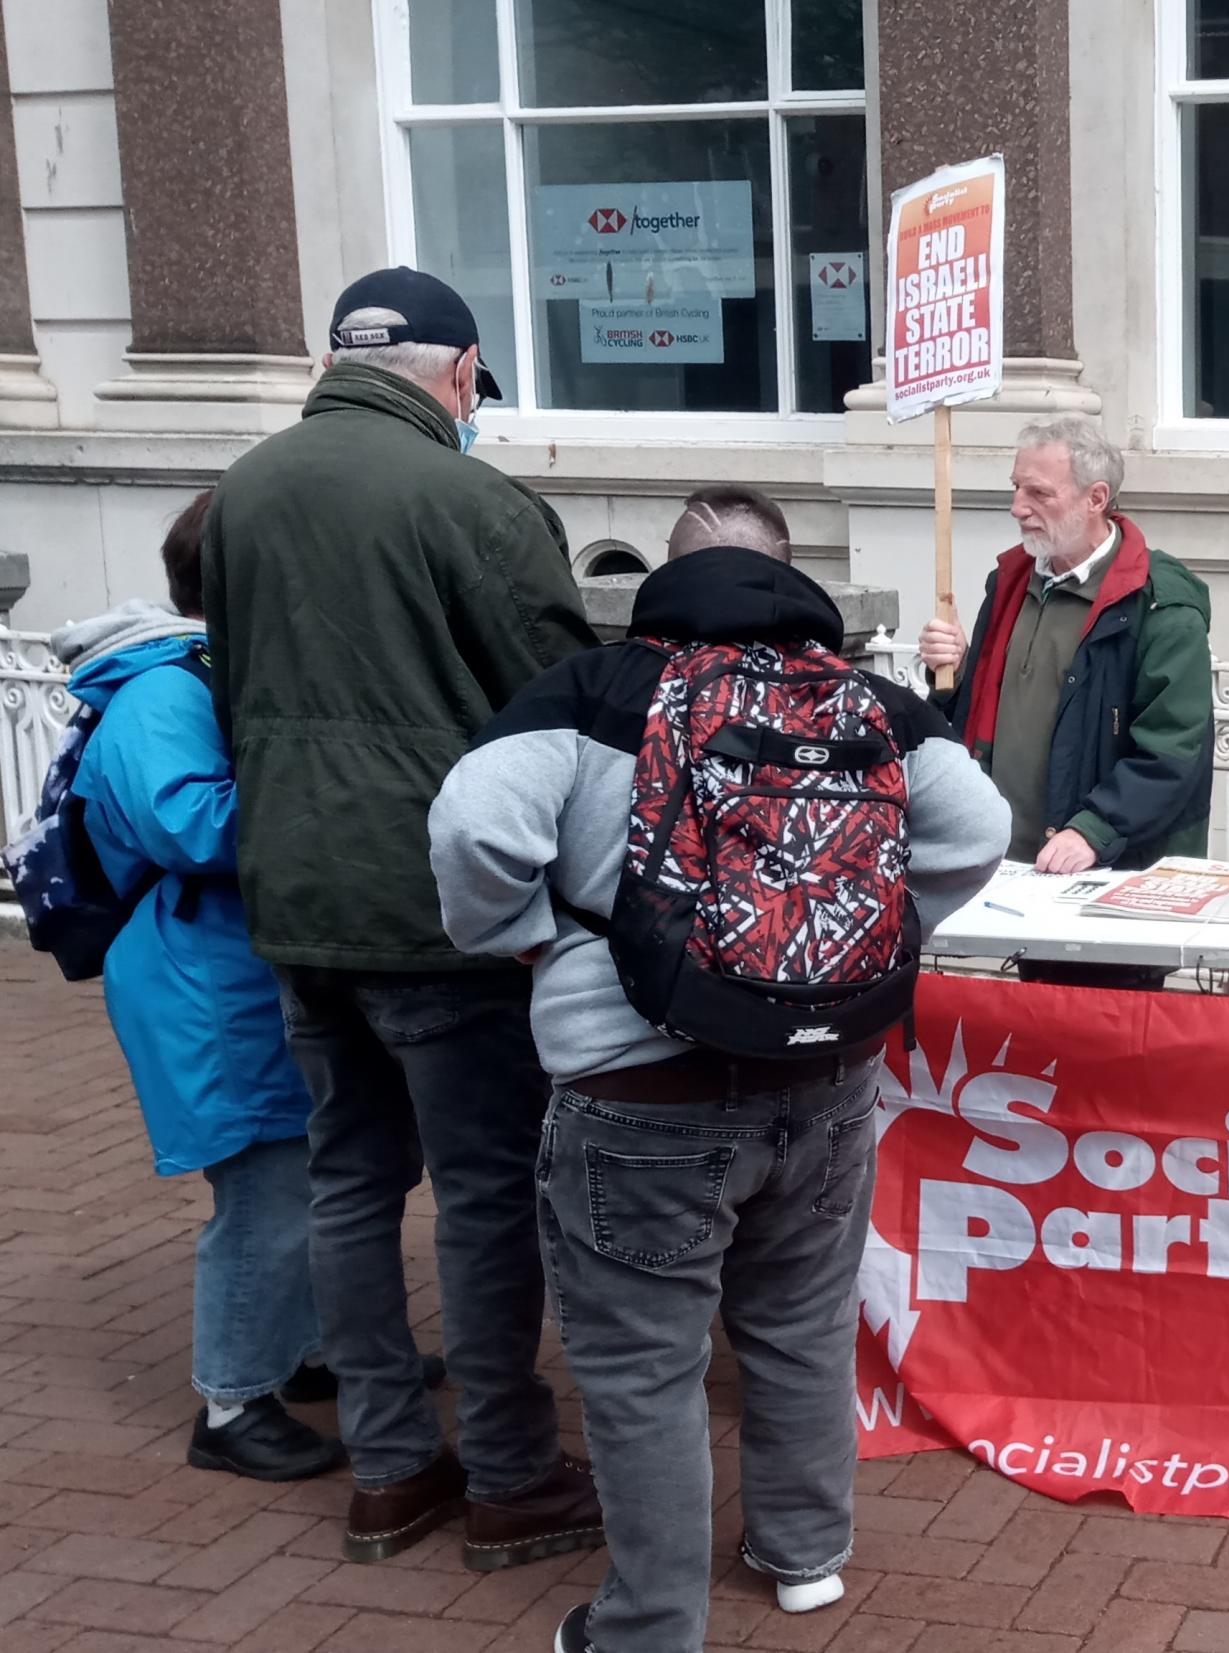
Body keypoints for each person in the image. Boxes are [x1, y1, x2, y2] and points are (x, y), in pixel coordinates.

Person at [428, 526, 1009, 1653]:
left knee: (645, 1367)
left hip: (639, 1080)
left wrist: (526, 937)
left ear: (658, 608)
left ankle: (646, 1628)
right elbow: (979, 825)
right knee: (801, 1324)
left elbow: (470, 822)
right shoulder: (870, 700)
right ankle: (803, 1559)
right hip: (831, 1069)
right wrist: (876, 941)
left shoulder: (595, 690)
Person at [200, 266, 603, 1567]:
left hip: (300, 892)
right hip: (444, 908)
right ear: (462, 370)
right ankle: (507, 1469)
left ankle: (387, 1465)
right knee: (487, 1193)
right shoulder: (476, 502)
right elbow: (562, 710)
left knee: (349, 1180)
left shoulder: (246, 490)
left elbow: (232, 684)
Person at [52, 494, 339, 1481]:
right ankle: (231, 1404)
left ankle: (296, 1353)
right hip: (202, 979)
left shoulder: (199, 673)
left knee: (294, 1172)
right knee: (263, 1188)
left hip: (230, 968)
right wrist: (331, 780)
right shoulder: (165, 691)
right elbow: (191, 826)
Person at [916, 414, 1213, 876]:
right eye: (1015, 488)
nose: (1017, 507)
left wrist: (1095, 829)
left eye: (1038, 493)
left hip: (1110, 869)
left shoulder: (1158, 605)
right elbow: (974, 719)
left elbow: (1173, 750)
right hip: (1006, 862)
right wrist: (949, 672)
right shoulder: (1011, 580)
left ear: (1095, 498)